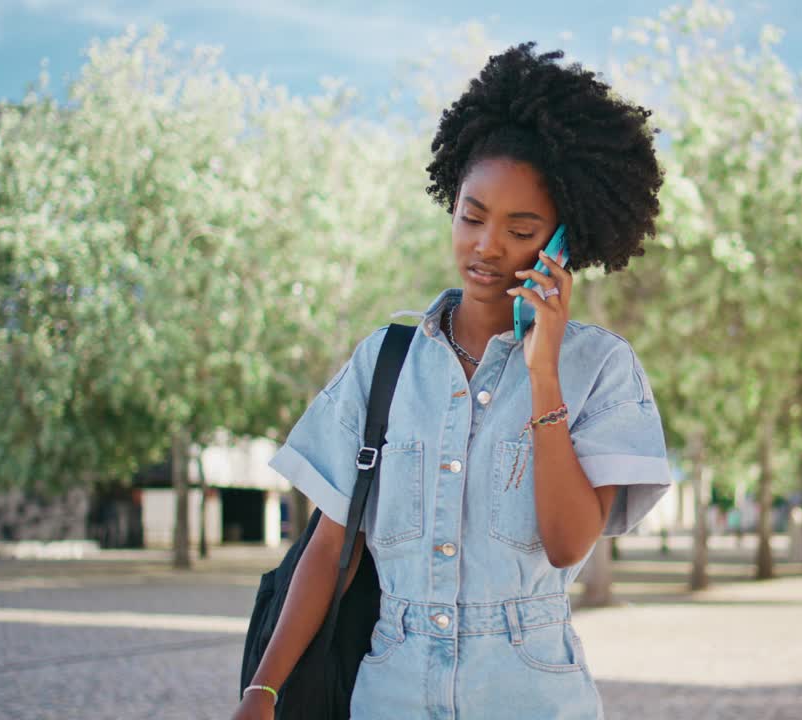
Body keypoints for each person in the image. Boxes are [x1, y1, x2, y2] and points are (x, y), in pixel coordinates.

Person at [232, 43, 671, 720]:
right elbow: (330, 550)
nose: (488, 246)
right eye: (472, 216)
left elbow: (566, 543)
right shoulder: (383, 363)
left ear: (562, 243)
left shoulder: (602, 370)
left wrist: (543, 372)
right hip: (390, 697)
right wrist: (261, 691)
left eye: (521, 229)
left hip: (532, 698)